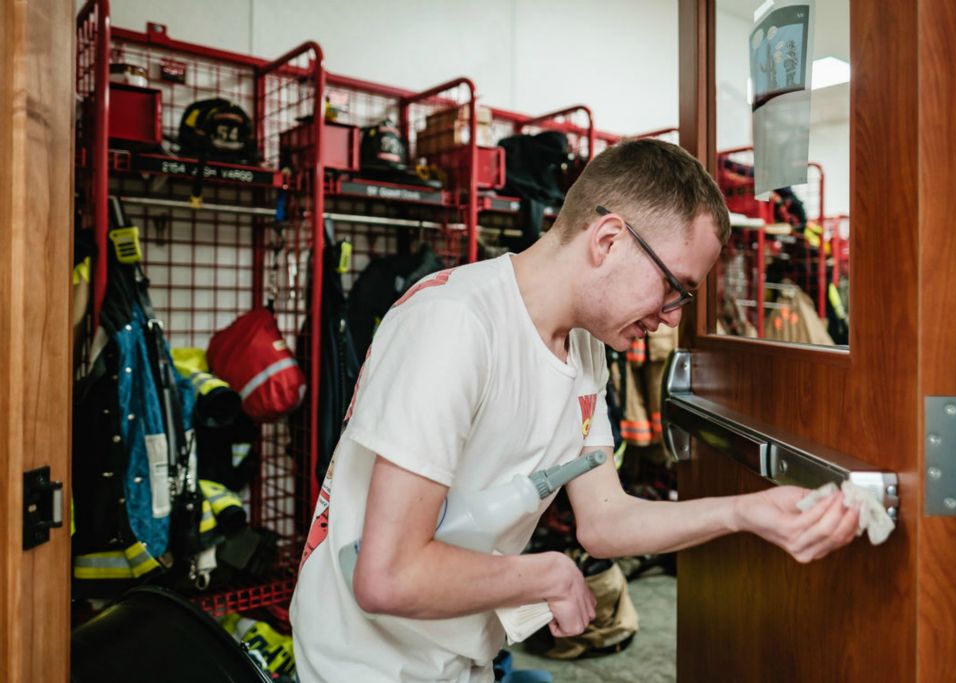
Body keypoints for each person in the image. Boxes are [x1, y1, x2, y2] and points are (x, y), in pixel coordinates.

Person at [289, 139, 861, 682]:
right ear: (609, 240)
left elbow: (606, 518)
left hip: (457, 651)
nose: (673, 318)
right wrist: (547, 573)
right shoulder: (455, 324)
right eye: (674, 288)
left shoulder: (584, 343)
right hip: (368, 664)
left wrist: (747, 513)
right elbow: (388, 576)